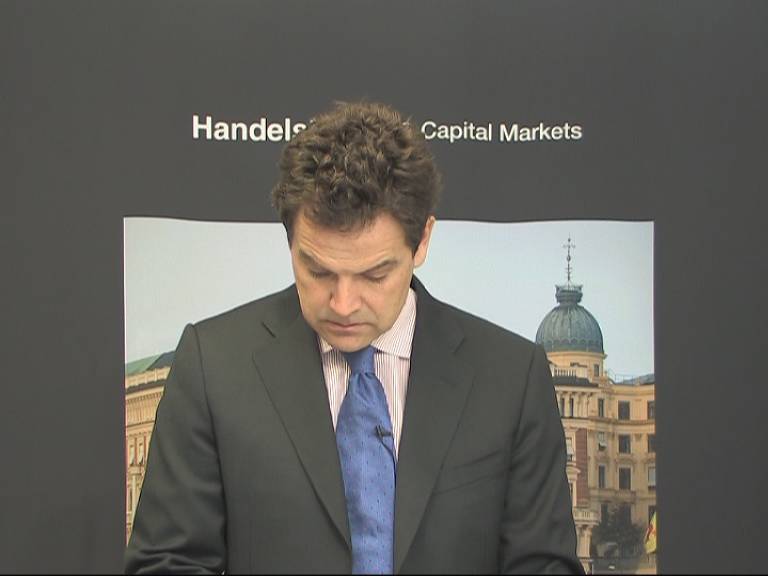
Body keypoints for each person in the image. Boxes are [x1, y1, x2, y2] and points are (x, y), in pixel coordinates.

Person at [125, 102, 583, 574]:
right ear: (289, 241)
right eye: (318, 270)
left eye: (374, 274)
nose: (343, 305)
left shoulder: (511, 377)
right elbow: (167, 563)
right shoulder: (214, 365)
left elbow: (544, 566)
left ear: (423, 240)